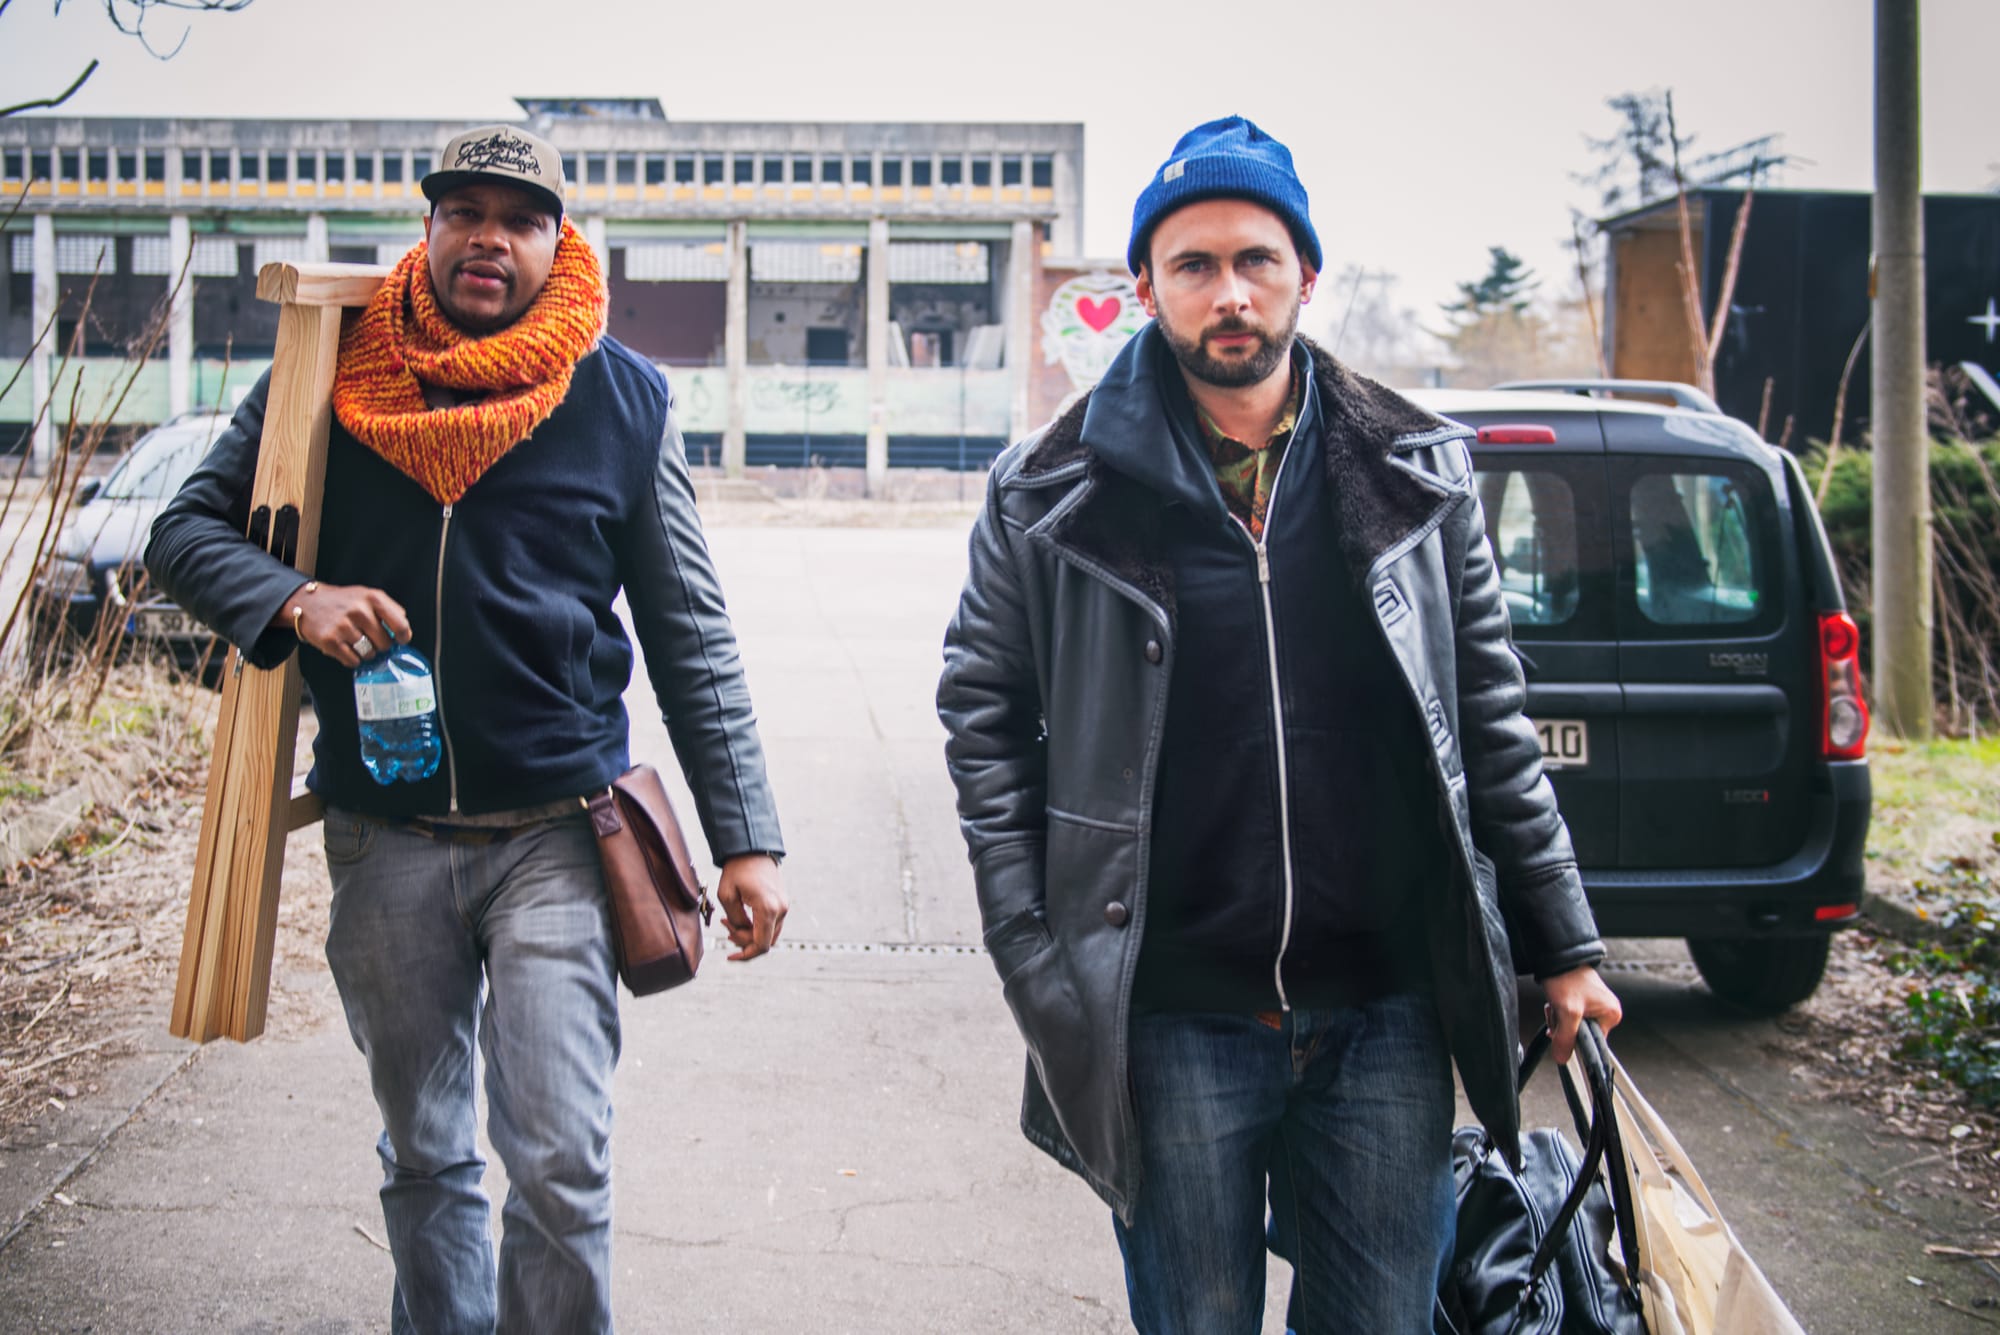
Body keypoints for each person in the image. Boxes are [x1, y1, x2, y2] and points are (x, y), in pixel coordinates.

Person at [936, 115, 1622, 1335]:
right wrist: (1030, 955)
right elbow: (982, 717)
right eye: (1193, 265)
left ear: (1306, 271)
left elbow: (1487, 722)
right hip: (1168, 1015)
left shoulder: (1413, 473)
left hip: (1385, 1011)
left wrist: (1563, 943)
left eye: (1255, 259)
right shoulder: (1047, 490)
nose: (1229, 294)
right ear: (1143, 286)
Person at [146, 124, 787, 1335]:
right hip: (384, 837)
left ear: (558, 241)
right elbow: (182, 531)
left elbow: (689, 631)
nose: (490, 238)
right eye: (465, 213)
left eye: (521, 219)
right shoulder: (327, 372)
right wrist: (293, 598)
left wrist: (745, 838)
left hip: (561, 837)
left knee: (560, 1162)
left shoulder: (620, 398)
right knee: (426, 1152)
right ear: (429, 227)